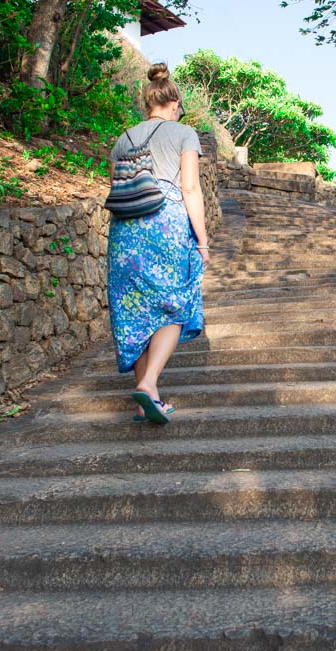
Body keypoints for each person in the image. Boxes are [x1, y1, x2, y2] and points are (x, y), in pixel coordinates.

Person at [106, 62, 209, 424]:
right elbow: (191, 188)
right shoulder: (184, 133)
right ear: (174, 101)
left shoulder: (123, 138)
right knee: (176, 304)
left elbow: (118, 188)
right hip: (165, 224)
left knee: (132, 309)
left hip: (124, 231)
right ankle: (149, 383)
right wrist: (203, 241)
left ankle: (144, 400)